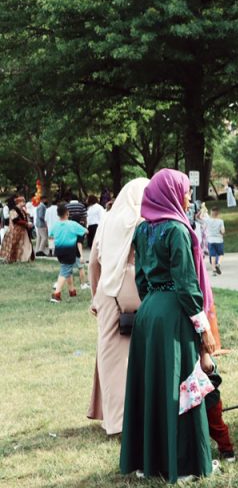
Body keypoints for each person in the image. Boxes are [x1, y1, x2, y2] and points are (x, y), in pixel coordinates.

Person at [120, 169, 217, 483]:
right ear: (172, 194)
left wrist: (154, 304)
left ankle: (148, 461)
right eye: (185, 191)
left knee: (152, 383)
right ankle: (184, 464)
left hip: (149, 312)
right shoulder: (176, 229)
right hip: (174, 313)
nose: (188, 197)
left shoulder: (142, 229)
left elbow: (141, 279)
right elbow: (187, 285)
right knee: (181, 383)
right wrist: (203, 329)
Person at [87, 178, 148, 435]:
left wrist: (95, 296)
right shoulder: (142, 221)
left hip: (107, 292)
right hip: (136, 289)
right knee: (139, 356)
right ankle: (139, 414)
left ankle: (114, 419)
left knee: (109, 357)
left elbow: (93, 263)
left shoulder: (106, 220)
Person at [49, 204, 88, 302]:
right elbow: (85, 231)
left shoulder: (55, 225)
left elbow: (50, 235)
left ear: (58, 214)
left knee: (68, 270)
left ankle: (72, 291)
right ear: (67, 213)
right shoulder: (72, 224)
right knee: (65, 271)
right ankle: (56, 294)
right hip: (69, 251)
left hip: (58, 251)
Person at [0, 196, 34, 263]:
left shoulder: (23, 211)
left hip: (23, 231)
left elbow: (25, 219)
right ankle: (11, 258)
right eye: (23, 202)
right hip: (14, 231)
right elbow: (15, 220)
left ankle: (26, 258)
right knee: (13, 246)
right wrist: (26, 223)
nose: (24, 203)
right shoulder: (13, 211)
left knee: (26, 244)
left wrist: (28, 222)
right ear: (19, 202)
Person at [205, 207, 225, 275]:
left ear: (211, 213)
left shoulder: (208, 221)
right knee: (221, 254)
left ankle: (214, 270)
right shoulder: (220, 221)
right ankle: (218, 264)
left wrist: (202, 210)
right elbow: (223, 231)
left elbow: (199, 218)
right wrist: (221, 232)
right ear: (218, 214)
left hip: (210, 240)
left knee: (212, 255)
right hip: (219, 240)